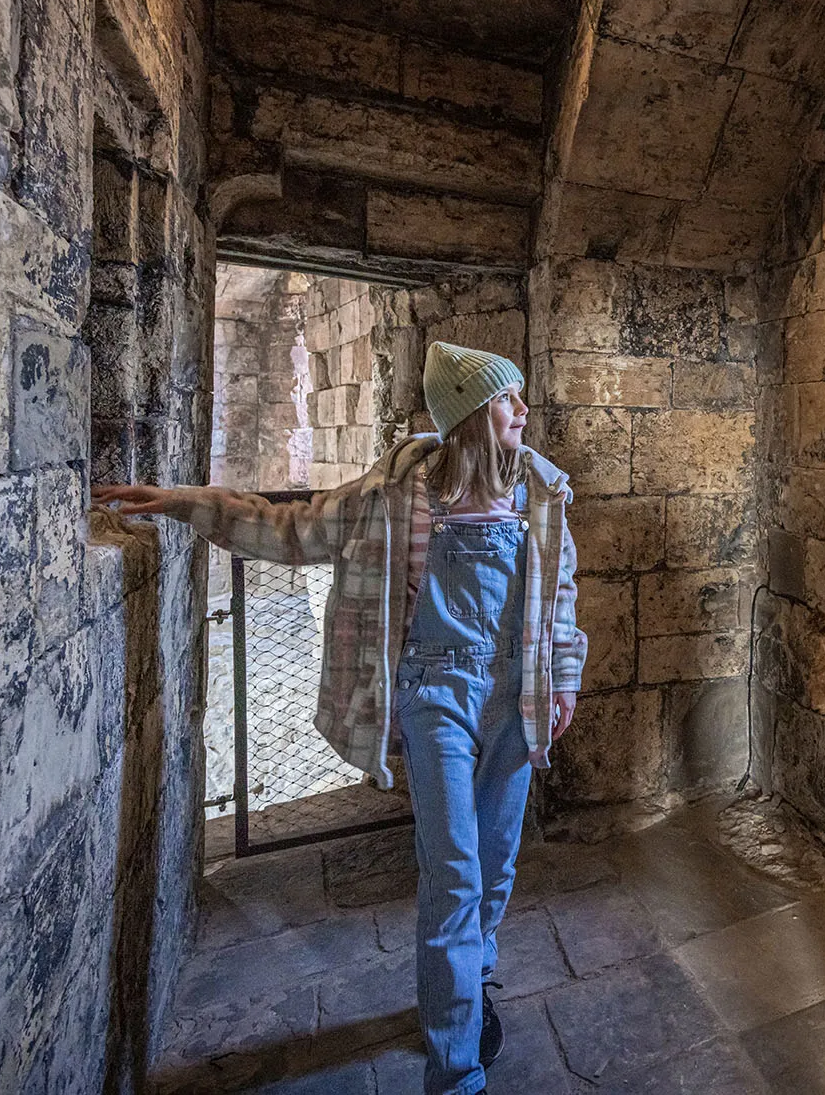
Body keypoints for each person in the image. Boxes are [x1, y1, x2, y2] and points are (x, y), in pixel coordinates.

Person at [95, 341, 584, 1095]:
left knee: (495, 857)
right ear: (473, 417)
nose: (523, 411)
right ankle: (457, 1071)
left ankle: (470, 980)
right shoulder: (397, 498)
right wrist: (185, 502)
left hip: (513, 695)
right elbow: (289, 529)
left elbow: (559, 596)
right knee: (454, 873)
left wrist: (564, 682)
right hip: (436, 698)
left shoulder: (539, 494)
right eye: (507, 399)